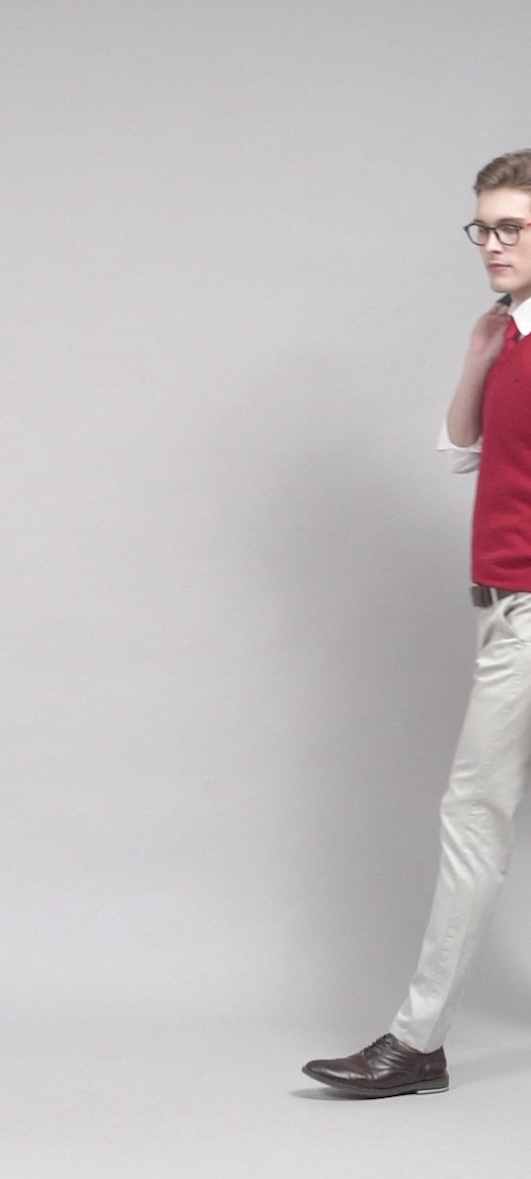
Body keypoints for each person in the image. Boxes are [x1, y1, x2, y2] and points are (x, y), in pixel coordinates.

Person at [303, 149, 531, 1098]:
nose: (492, 245)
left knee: (473, 815)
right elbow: (457, 450)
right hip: (499, 607)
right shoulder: (510, 337)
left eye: (512, 227)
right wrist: (478, 355)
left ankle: (417, 1042)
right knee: (478, 814)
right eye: (483, 228)